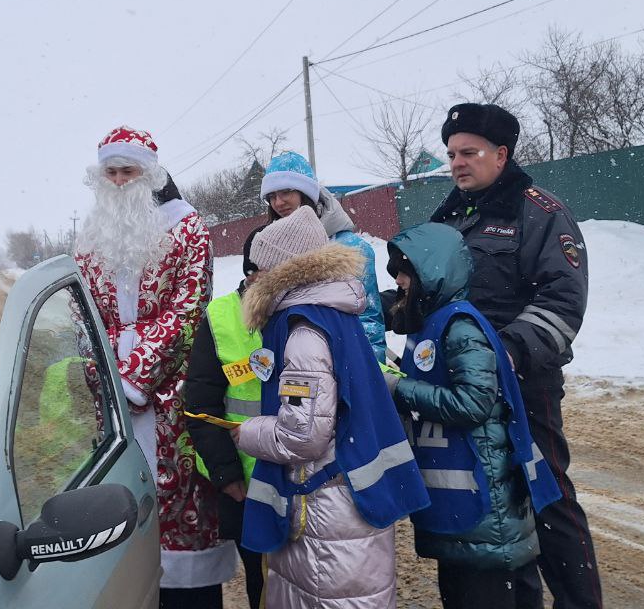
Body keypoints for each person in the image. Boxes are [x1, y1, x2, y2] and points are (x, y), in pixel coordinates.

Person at [430, 103, 602, 609]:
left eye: (469, 152)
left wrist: (504, 352)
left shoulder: (540, 212)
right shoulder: (448, 216)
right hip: (460, 387)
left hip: (524, 384)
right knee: (482, 502)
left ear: (501, 154)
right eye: (452, 154)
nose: (458, 162)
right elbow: (428, 292)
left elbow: (563, 300)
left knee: (545, 496)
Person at [233, 206, 429, 609]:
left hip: (325, 511)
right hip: (348, 497)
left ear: (280, 272)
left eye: (259, 269)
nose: (252, 279)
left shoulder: (302, 333)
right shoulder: (336, 315)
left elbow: (302, 435)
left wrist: (247, 433)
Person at [74, 126, 234, 608]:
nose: (121, 180)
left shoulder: (188, 229)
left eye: (130, 170)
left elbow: (188, 309)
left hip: (171, 397)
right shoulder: (90, 237)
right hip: (115, 407)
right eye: (112, 171)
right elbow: (84, 316)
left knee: (182, 516)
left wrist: (136, 376)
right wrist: (104, 375)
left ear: (150, 174)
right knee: (122, 511)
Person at [385, 222, 562, 608]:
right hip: (468, 514)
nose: (398, 281)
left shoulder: (461, 326)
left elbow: (473, 403)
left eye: (404, 272)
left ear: (432, 272)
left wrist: (397, 389)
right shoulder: (433, 324)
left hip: (486, 512)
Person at [183, 226, 266, 609]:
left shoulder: (300, 311)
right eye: (260, 272)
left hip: (302, 482)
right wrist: (228, 476)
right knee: (261, 580)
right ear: (250, 272)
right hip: (248, 485)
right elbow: (201, 406)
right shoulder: (220, 318)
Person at [260, 151, 387, 364]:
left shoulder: (349, 248)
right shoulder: (271, 249)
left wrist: (369, 376)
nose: (278, 202)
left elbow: (368, 320)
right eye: (271, 197)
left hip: (342, 364)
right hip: (292, 367)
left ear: (306, 193)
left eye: (285, 192)